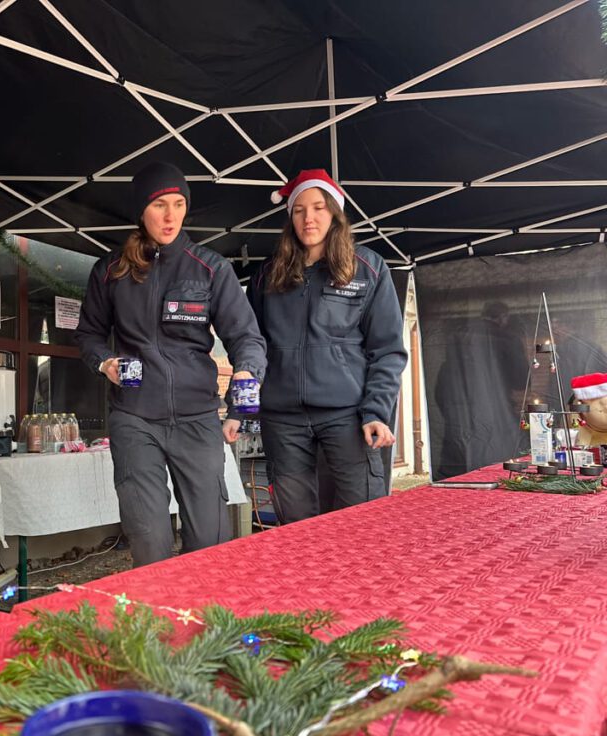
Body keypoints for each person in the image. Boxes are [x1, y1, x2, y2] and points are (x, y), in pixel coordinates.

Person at [75, 161, 267, 566]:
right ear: (140, 211)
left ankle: (202, 607)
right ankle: (155, 607)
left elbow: (247, 338)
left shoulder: (210, 268)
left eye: (178, 204)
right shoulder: (110, 271)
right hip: (134, 417)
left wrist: (243, 391)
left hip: (197, 418)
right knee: (150, 541)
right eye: (159, 205)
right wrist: (105, 362)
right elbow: (88, 334)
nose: (170, 216)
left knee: (210, 541)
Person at [227, 169, 406, 523]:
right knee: (295, 526)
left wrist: (376, 412)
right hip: (283, 420)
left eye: (319, 208)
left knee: (361, 519)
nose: (308, 218)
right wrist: (239, 409)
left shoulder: (367, 268)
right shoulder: (268, 274)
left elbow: (387, 350)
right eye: (299, 210)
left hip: (347, 416)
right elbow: (250, 345)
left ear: (335, 213)